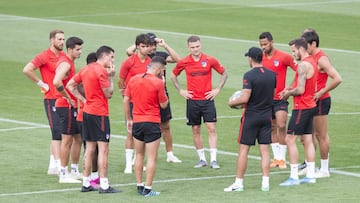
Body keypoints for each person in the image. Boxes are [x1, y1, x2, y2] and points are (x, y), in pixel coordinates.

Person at [67, 45, 121, 193]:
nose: (112, 60)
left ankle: (86, 183)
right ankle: (104, 185)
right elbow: (109, 94)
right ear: (104, 56)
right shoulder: (101, 71)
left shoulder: (86, 69)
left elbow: (70, 85)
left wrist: (83, 100)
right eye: (111, 57)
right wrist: (111, 77)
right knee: (103, 149)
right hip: (100, 114)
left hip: (87, 113)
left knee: (89, 148)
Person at [171, 35, 228, 169]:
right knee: (196, 129)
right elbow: (173, 75)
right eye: (192, 47)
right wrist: (181, 90)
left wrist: (217, 89)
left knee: (211, 129)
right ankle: (202, 159)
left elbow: (224, 73)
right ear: (188, 47)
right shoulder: (184, 62)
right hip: (192, 101)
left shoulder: (210, 60)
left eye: (197, 46)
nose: (195, 49)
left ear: (200, 45)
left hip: (207, 100)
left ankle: (213, 160)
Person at [224, 47, 275, 192]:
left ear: (251, 59)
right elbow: (272, 95)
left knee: (243, 150)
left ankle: (238, 183)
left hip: (251, 117)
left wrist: (231, 103)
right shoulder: (272, 75)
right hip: (266, 117)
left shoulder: (249, 75)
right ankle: (265, 183)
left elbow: (245, 97)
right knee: (264, 150)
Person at [125, 32, 182, 163]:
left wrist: (165, 45)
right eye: (151, 43)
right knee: (145, 125)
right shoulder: (140, 56)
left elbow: (178, 60)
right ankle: (138, 155)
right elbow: (128, 51)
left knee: (166, 125)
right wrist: (140, 44)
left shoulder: (160, 55)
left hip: (161, 92)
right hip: (146, 95)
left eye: (154, 43)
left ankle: (170, 154)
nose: (154, 46)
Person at [299, 29, 342, 178]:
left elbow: (337, 78)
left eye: (306, 45)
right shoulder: (310, 57)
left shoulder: (321, 58)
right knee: (307, 135)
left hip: (321, 101)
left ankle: (324, 169)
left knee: (321, 135)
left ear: (313, 44)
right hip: (310, 101)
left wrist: (321, 92)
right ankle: (309, 164)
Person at [124, 56, 169, 197]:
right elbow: (163, 104)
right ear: (159, 69)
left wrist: (129, 119)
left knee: (138, 155)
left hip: (137, 121)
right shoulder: (157, 82)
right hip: (152, 122)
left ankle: (139, 185)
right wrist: (163, 84)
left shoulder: (133, 79)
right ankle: (148, 189)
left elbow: (126, 100)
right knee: (151, 157)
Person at [23, 29, 65, 175]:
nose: (62, 42)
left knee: (58, 131)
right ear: (52, 40)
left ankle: (52, 164)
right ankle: (60, 165)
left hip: (62, 99)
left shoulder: (64, 56)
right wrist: (41, 84)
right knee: (57, 132)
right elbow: (27, 69)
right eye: (59, 39)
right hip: (51, 99)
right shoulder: (44, 56)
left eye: (63, 39)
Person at [279, 38, 318, 186]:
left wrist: (288, 94)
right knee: (307, 140)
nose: (293, 54)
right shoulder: (313, 61)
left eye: (293, 51)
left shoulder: (302, 65)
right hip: (310, 106)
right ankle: (311, 175)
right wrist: (289, 89)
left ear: (301, 49)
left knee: (290, 139)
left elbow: (301, 89)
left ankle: (294, 177)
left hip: (302, 107)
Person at [259, 32, 297, 169]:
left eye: (266, 44)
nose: (263, 47)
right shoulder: (260, 58)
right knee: (272, 127)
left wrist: (290, 88)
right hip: (266, 99)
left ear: (272, 42)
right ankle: (277, 159)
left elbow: (300, 71)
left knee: (281, 125)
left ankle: (283, 158)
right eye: (261, 45)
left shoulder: (284, 57)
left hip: (280, 99)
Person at [119, 33, 151, 174]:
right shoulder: (129, 62)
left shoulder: (151, 62)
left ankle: (137, 161)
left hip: (146, 104)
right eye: (142, 46)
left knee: (142, 134)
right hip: (132, 102)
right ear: (137, 46)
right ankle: (128, 164)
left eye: (147, 46)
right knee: (130, 132)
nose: (145, 49)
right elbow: (121, 79)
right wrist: (124, 92)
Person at [53, 37, 84, 183]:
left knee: (77, 137)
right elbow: (56, 82)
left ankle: (75, 170)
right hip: (66, 106)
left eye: (81, 49)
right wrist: (67, 97)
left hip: (71, 106)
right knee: (67, 140)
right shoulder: (66, 63)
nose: (80, 52)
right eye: (77, 49)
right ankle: (63, 173)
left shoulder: (68, 62)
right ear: (70, 49)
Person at [76, 52, 100, 188]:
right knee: (91, 149)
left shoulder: (83, 73)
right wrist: (85, 100)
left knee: (92, 149)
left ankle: (93, 177)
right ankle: (90, 179)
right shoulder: (89, 75)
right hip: (89, 116)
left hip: (85, 115)